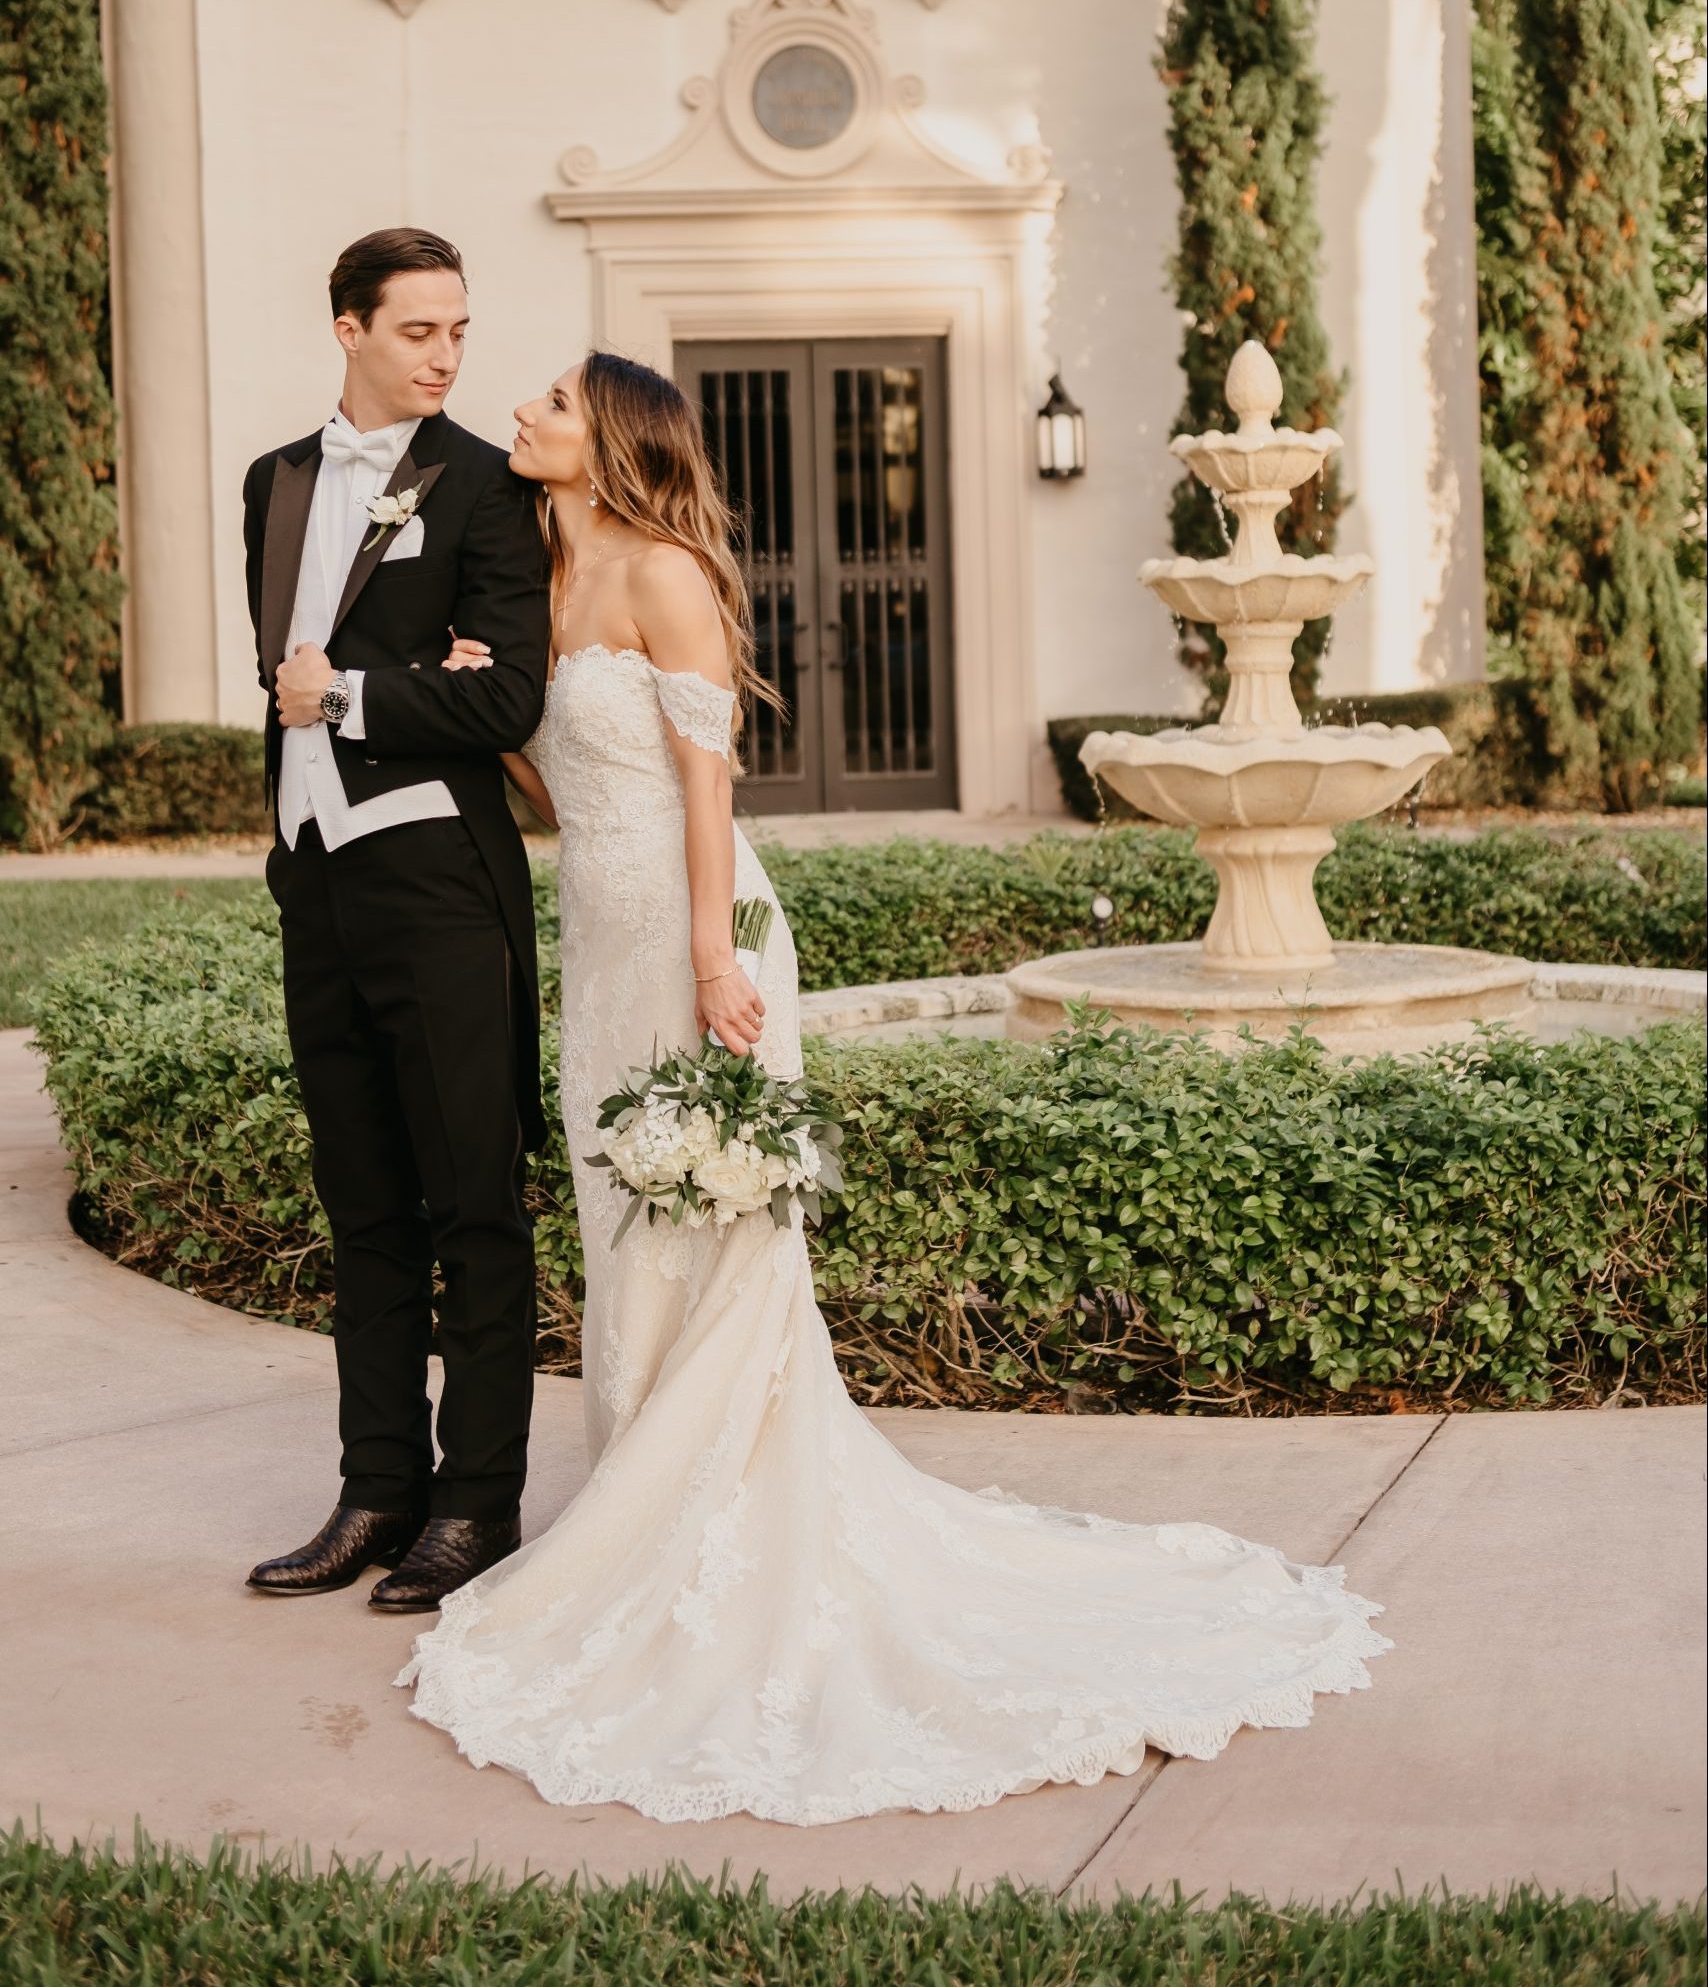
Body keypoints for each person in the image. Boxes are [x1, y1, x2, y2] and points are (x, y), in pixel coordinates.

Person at [395, 348, 1391, 1825]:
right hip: (600, 946)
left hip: (703, 937)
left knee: (716, 1235)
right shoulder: (541, 569)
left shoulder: (666, 570)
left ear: (607, 439)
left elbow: (705, 794)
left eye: (549, 401)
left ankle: (701, 1533)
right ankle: (642, 1514)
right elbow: (562, 788)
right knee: (627, 1223)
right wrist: (494, 701)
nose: (523, 414)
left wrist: (715, 960)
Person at [241, 229, 551, 1614]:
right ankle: (377, 1490)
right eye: (420, 329)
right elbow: (281, 668)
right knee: (364, 1200)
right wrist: (399, 674)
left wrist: (359, 695)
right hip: (318, 880)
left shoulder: (486, 485)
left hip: (438, 881)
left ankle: (476, 1502)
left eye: (460, 331)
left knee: (473, 1197)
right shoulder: (277, 483)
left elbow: (507, 701)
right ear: (349, 329)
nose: (445, 354)